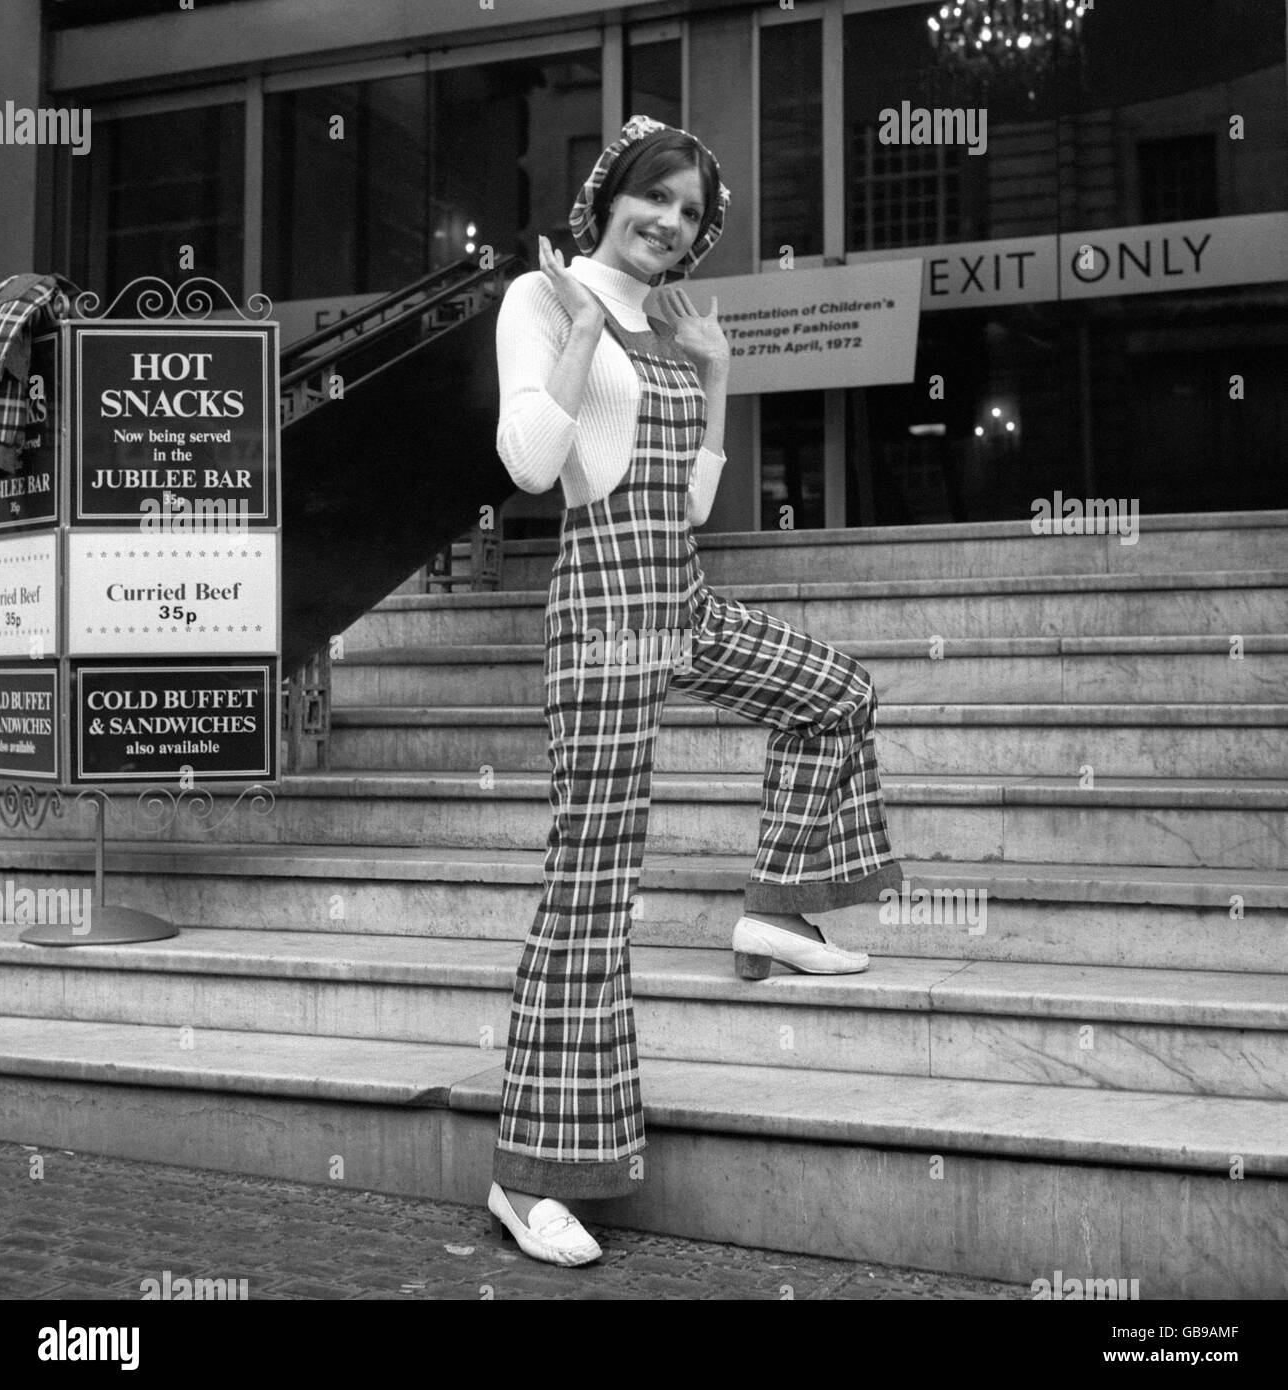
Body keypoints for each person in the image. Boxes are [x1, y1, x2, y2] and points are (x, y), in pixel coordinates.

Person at [487, 114, 902, 1267]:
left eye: (688, 210)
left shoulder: (671, 322)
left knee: (836, 692)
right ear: (607, 195)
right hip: (604, 615)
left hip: (679, 595)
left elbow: (693, 506)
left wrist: (715, 373)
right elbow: (529, 463)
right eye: (651, 197)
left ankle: (774, 907)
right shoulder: (541, 299)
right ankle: (529, 1176)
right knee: (590, 883)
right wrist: (577, 326)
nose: (669, 222)